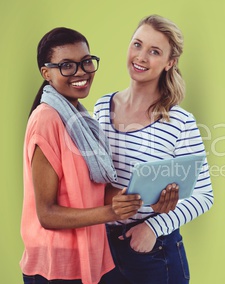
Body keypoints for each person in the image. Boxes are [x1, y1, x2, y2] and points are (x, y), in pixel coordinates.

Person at [94, 15, 214, 283]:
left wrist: (153, 227)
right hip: (103, 249)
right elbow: (94, 180)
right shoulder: (102, 107)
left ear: (170, 63)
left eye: (154, 51)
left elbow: (204, 195)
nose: (141, 57)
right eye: (137, 45)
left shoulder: (179, 122)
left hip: (153, 253)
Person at [20, 27, 143, 284]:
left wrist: (133, 197)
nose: (81, 72)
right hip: (57, 266)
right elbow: (47, 214)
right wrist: (111, 212)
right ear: (46, 73)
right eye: (67, 65)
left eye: (86, 62)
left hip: (93, 253)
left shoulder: (82, 119)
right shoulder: (47, 119)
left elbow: (91, 190)